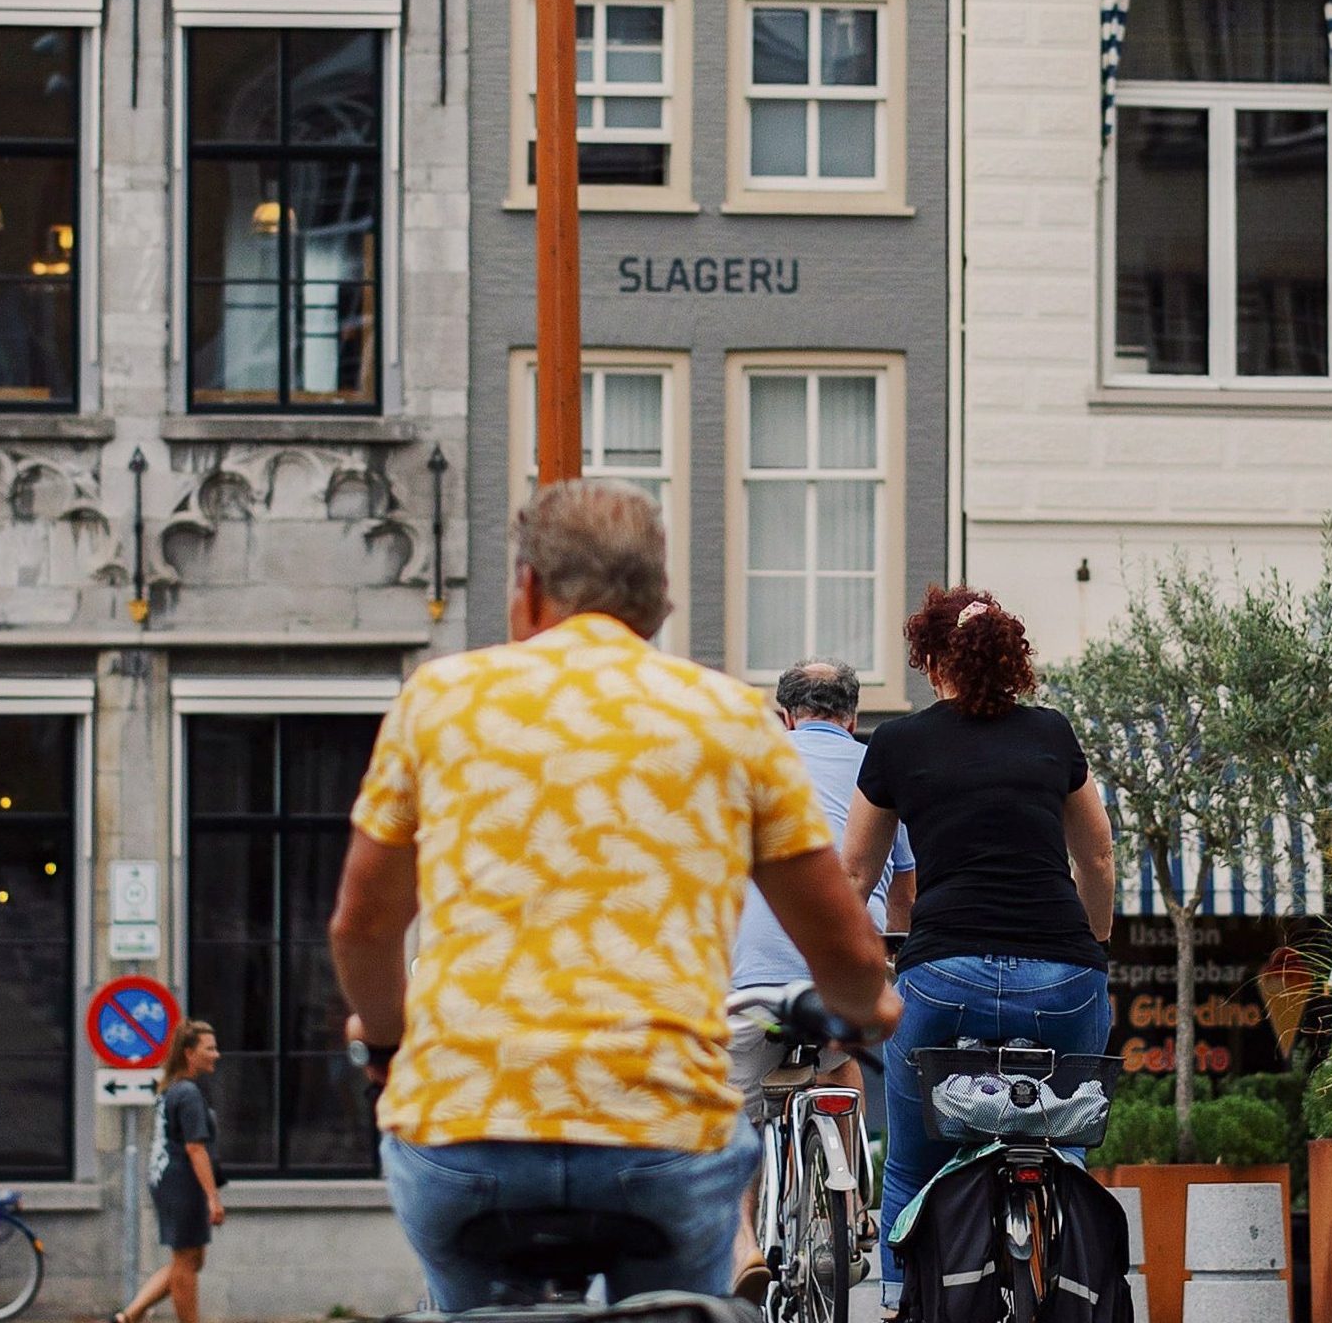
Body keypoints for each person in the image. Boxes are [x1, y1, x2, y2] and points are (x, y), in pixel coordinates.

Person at [330, 479, 901, 1308]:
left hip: (470, 1129)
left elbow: (364, 925)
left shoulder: (439, 702)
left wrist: (385, 1044)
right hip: (659, 1136)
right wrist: (869, 1007)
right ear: (662, 604)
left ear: (527, 591)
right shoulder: (729, 720)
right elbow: (844, 946)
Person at [841, 586, 1116, 1317]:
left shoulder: (897, 743)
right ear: (1012, 658)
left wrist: (853, 961)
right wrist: (1092, 940)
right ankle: (1072, 1277)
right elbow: (1096, 862)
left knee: (909, 1160)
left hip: (943, 976)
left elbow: (855, 875)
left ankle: (901, 1301)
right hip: (1062, 978)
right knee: (1068, 1141)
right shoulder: (1053, 735)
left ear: (933, 662)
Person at [725, 658, 916, 1295]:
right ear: (853, 716)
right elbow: (903, 900)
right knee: (839, 1063)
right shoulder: (878, 769)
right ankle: (852, 1206)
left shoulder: (752, 764)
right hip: (840, 981)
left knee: (738, 1113)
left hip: (752, 985)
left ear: (784, 716)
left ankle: (741, 1243)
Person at [114, 1022, 225, 1323]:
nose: (216, 1054)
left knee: (189, 1259)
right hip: (182, 1183)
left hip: (167, 1180)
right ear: (190, 1053)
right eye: (210, 1049)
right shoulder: (188, 1093)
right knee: (186, 1262)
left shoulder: (173, 1088)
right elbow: (195, 1148)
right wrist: (213, 1198)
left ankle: (129, 1316)